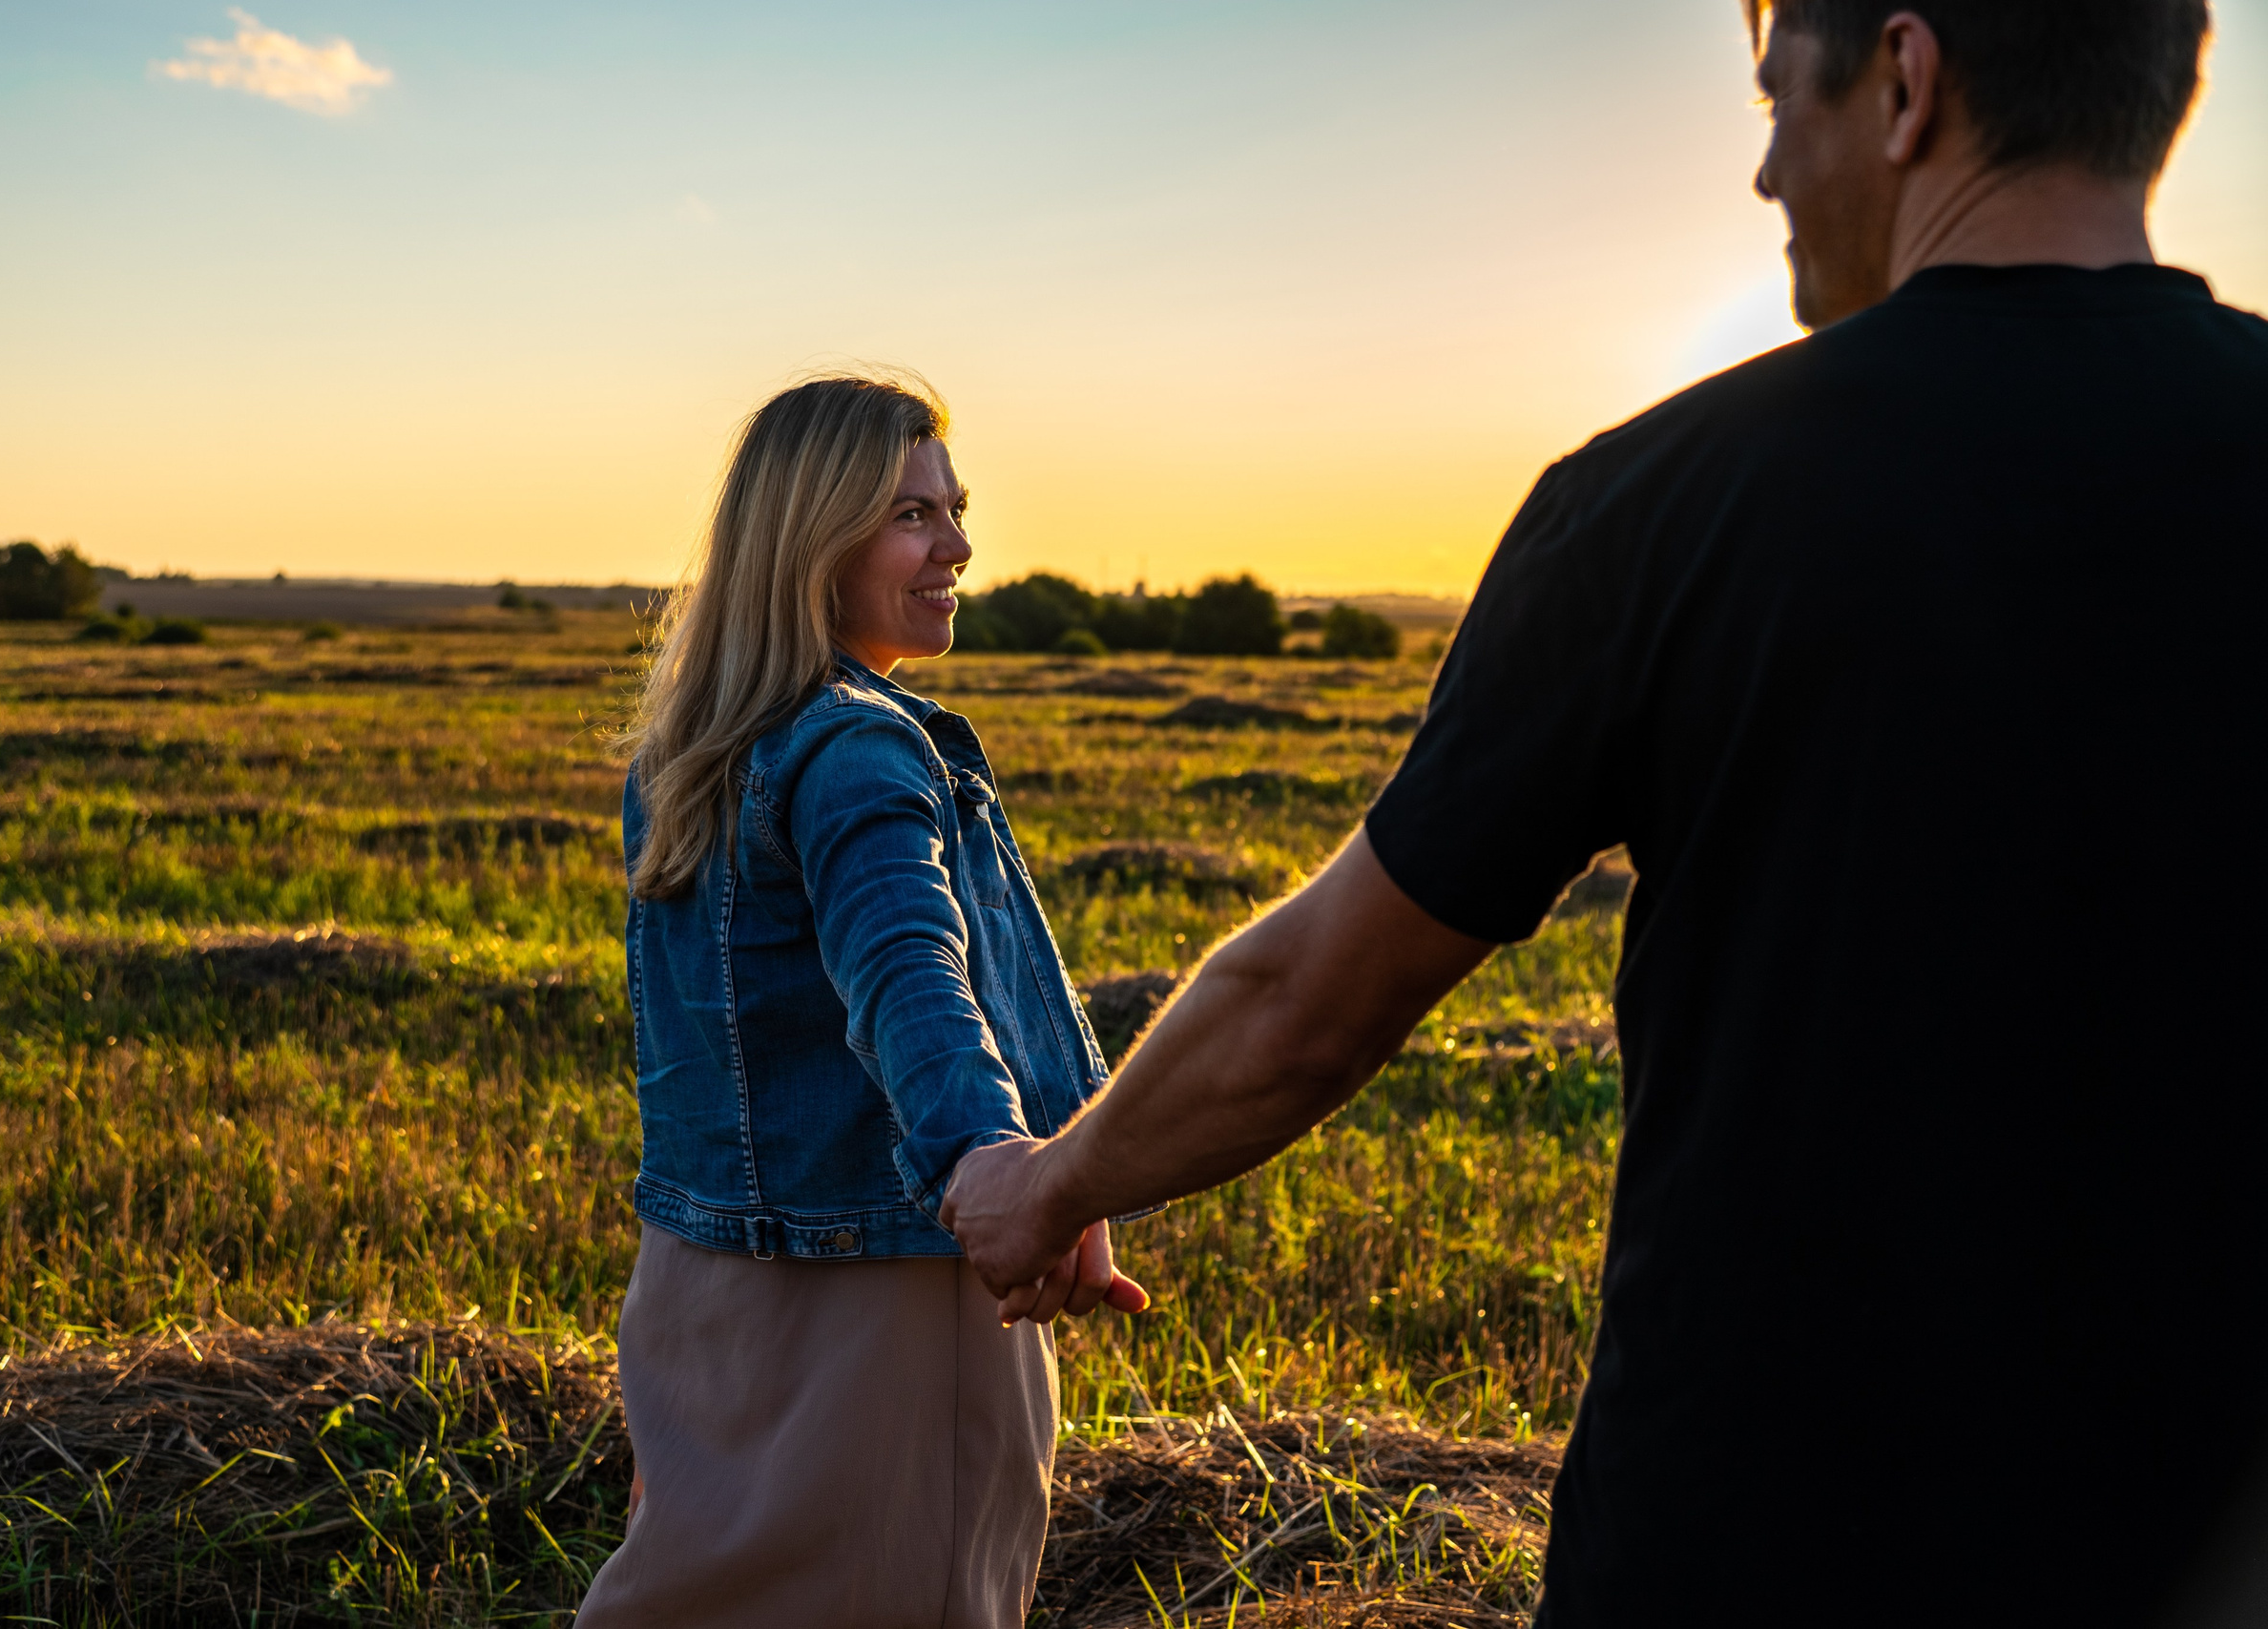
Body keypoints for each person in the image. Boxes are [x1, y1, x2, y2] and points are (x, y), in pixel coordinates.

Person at [943, 3, 2268, 1624]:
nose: (1771, 168)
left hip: (1758, 1546)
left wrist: (1052, 1184)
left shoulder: (1665, 503)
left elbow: (1310, 1007)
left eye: (1783, 101)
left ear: (1908, 82)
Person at [575, 374, 1145, 1629]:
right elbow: (910, 974)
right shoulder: (859, 746)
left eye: (954, 508)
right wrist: (1001, 1166)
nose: (957, 547)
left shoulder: (687, 754)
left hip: (702, 1284)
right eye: (911, 517)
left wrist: (1065, 1177)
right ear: (813, 538)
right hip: (878, 1301)